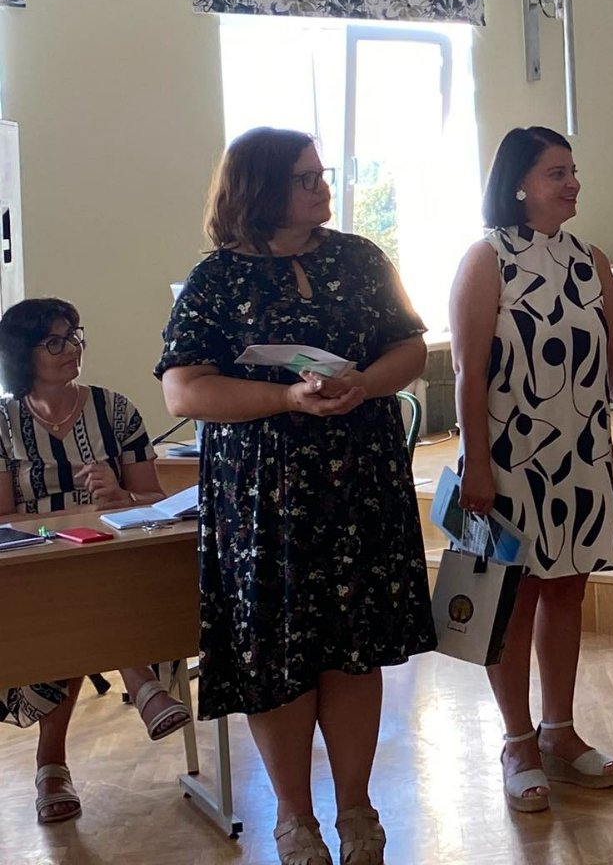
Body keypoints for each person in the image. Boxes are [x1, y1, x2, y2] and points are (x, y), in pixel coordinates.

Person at [158, 128, 434, 865]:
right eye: (304, 178)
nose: (322, 187)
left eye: (322, 174)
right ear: (260, 189)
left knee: (354, 649)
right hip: (263, 497)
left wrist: (363, 384)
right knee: (275, 656)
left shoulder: (360, 258)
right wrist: (286, 397)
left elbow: (410, 345)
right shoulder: (216, 279)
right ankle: (294, 818)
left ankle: (356, 809)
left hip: (358, 485)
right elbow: (183, 389)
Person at [449, 126, 613, 813]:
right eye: (556, 173)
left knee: (567, 590)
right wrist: (476, 464)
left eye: (573, 170)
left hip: (578, 452)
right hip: (507, 457)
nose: (572, 183)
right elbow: (468, 373)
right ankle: (517, 741)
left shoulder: (589, 259)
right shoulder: (486, 259)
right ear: (519, 184)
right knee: (511, 599)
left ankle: (559, 730)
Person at [0, 299, 191, 824]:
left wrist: (120, 496)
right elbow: (3, 516)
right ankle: (141, 684)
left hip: (112, 557)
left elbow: (153, 501)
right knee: (68, 600)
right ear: (23, 354)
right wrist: (61, 524)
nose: (72, 349)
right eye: (55, 342)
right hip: (38, 562)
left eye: (75, 336)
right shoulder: (4, 423)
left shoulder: (115, 410)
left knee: (92, 592)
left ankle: (51, 766)